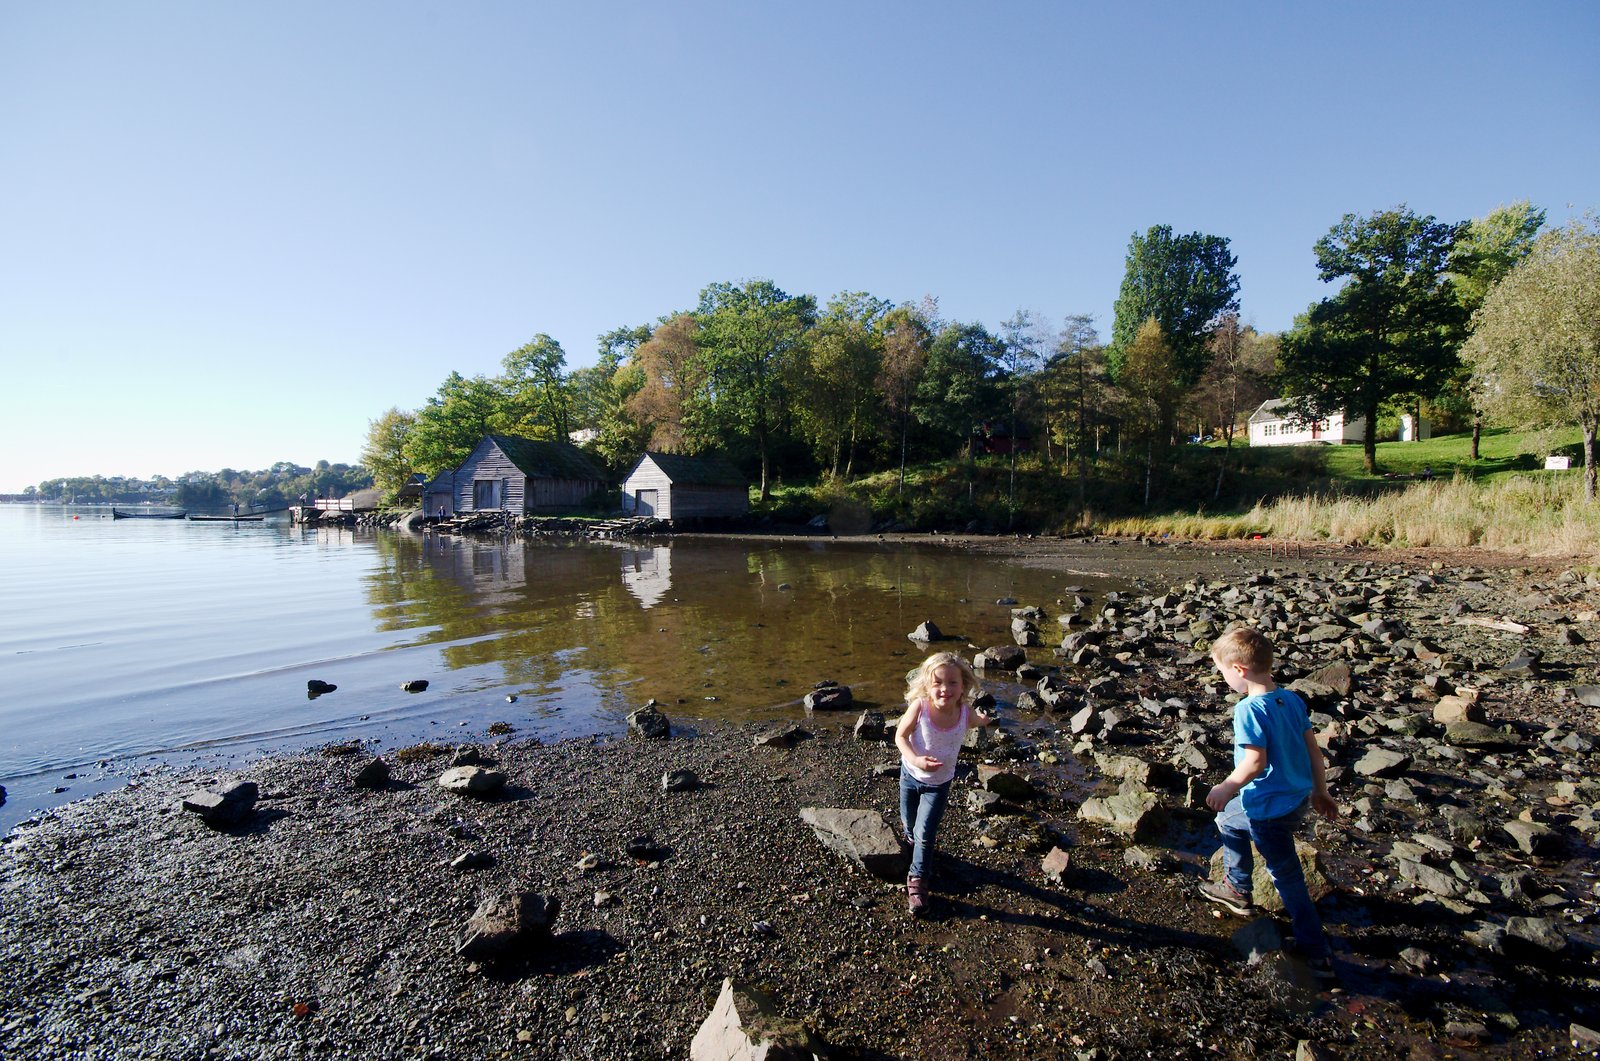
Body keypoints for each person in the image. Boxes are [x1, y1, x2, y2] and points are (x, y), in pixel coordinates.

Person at [1202, 626, 1339, 980]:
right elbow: (1314, 752)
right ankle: (1236, 886)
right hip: (1296, 800)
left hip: (1267, 808)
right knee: (1227, 820)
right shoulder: (1291, 700)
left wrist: (1226, 787)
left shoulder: (1249, 709)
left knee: (1286, 876)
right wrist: (1320, 791)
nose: (1223, 679)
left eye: (1222, 672)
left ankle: (1315, 951)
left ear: (1239, 670)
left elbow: (1255, 763)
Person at [895, 651, 994, 916]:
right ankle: (911, 845)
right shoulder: (920, 708)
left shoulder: (964, 713)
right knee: (909, 824)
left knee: (925, 833)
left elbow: (975, 721)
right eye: (937, 682)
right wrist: (916, 760)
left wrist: (984, 720)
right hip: (910, 776)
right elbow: (900, 736)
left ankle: (917, 880)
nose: (945, 689)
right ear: (927, 685)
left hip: (939, 785)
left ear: (963, 686)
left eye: (952, 683)